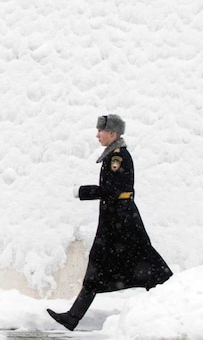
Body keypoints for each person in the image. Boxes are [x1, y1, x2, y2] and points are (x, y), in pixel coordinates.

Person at [47, 114, 172, 331]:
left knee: (149, 265)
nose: (97, 135)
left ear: (112, 133)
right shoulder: (112, 155)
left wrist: (82, 191)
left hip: (122, 222)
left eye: (100, 131)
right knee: (103, 265)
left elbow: (113, 191)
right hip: (116, 220)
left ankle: (175, 299)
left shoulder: (118, 157)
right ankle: (72, 317)